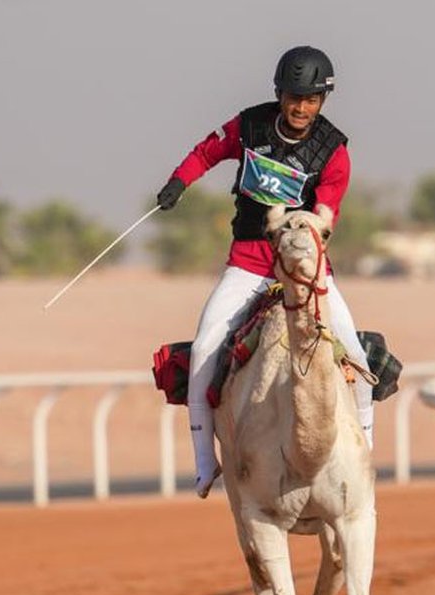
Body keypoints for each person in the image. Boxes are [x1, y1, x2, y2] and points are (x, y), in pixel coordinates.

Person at [155, 45, 374, 498]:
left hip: (304, 269)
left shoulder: (334, 152)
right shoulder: (249, 125)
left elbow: (325, 219)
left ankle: (365, 454)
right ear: (279, 94)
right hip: (249, 262)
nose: (301, 108)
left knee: (356, 355)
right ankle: (204, 461)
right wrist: (179, 182)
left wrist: (300, 258)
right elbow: (207, 152)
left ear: (322, 101)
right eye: (294, 98)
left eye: (311, 99)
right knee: (205, 349)